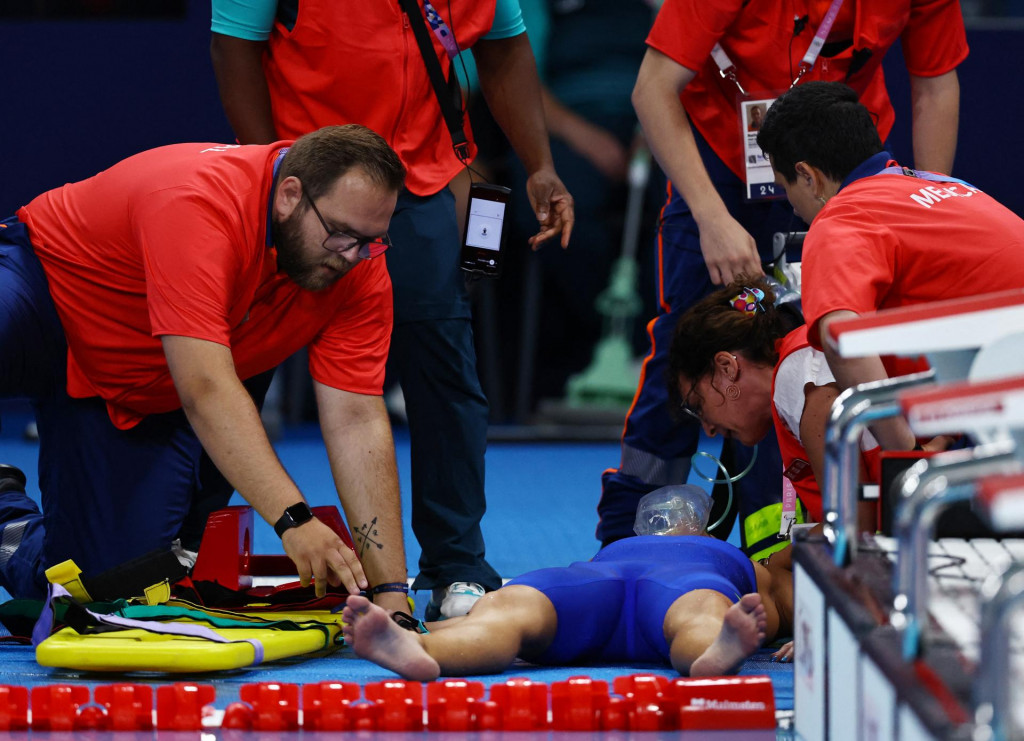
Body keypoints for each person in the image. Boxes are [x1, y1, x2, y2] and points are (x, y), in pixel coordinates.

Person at [210, 0, 575, 620]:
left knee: (445, 373)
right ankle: (186, 541)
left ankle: (458, 565)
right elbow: (234, 46)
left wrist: (539, 165)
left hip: (416, 185)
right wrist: (269, 174)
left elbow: (503, 45)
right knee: (237, 368)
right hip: (299, 182)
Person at [597, 0, 968, 558]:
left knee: (814, 353)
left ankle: (777, 549)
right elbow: (653, 87)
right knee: (688, 346)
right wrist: (710, 216)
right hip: (719, 170)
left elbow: (935, 87)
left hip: (842, 170)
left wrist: (918, 208)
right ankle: (627, 540)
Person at [0, 125, 410, 611]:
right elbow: (207, 387)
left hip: (143, 388)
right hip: (43, 294)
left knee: (107, 594)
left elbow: (357, 420)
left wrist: (391, 596)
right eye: (341, 234)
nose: (352, 257)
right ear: (289, 195)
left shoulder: (359, 270)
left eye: (370, 241)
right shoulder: (199, 201)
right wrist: (294, 521)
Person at [756, 81, 1024, 451]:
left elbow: (843, 341)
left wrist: (903, 451)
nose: (792, 204)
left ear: (807, 175)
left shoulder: (842, 217)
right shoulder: (947, 184)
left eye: (785, 186)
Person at [342, 534, 793, 681]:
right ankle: (714, 651)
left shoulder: (772, 562)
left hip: (596, 583)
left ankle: (428, 648)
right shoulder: (747, 563)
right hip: (665, 584)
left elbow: (838, 574)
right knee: (510, 606)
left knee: (509, 610)